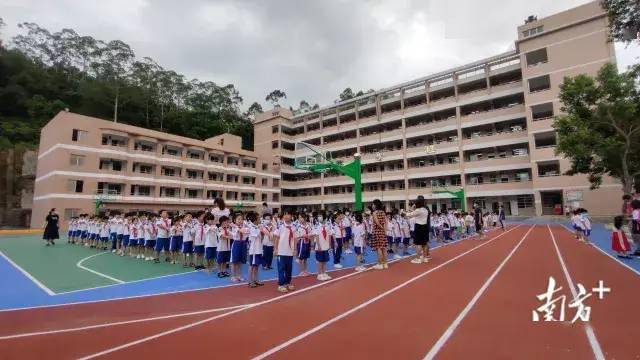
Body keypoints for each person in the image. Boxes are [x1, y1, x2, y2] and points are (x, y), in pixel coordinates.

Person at [404, 197, 431, 264]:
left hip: (419, 226)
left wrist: (403, 212)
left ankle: (418, 258)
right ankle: (424, 258)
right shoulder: (425, 210)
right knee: (424, 243)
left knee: (418, 243)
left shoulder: (418, 210)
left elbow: (409, 215)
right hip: (425, 226)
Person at [274, 211, 296, 293]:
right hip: (281, 251)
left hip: (290, 251)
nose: (286, 216)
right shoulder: (280, 226)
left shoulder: (294, 226)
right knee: (281, 268)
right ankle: (281, 284)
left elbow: (295, 238)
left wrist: (295, 249)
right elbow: (276, 238)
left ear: (291, 216)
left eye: (288, 214)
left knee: (289, 268)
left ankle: (288, 282)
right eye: (285, 214)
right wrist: (275, 249)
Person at [313, 211, 332, 281]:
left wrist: (330, 245)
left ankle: (324, 273)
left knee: (324, 260)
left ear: (324, 216)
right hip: (319, 246)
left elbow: (329, 235)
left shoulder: (327, 225)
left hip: (326, 246)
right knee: (320, 260)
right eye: (318, 216)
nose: (319, 217)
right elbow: (317, 236)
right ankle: (319, 274)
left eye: (320, 215)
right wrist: (318, 246)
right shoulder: (316, 225)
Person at [246, 212, 264, 288]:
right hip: (253, 250)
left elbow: (261, 238)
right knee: (252, 266)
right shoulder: (251, 227)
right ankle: (250, 281)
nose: (260, 219)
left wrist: (262, 233)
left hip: (259, 249)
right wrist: (261, 229)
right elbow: (255, 235)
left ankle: (256, 279)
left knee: (257, 266)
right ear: (255, 219)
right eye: (259, 218)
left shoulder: (257, 227)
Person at [371, 199, 389, 270]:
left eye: (373, 204)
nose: (372, 206)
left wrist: (381, 228)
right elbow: (386, 222)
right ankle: (385, 263)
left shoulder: (375, 213)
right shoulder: (383, 212)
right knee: (384, 248)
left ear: (375, 205)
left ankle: (380, 264)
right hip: (383, 232)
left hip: (377, 231)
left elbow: (377, 222)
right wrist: (385, 230)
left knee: (379, 248)